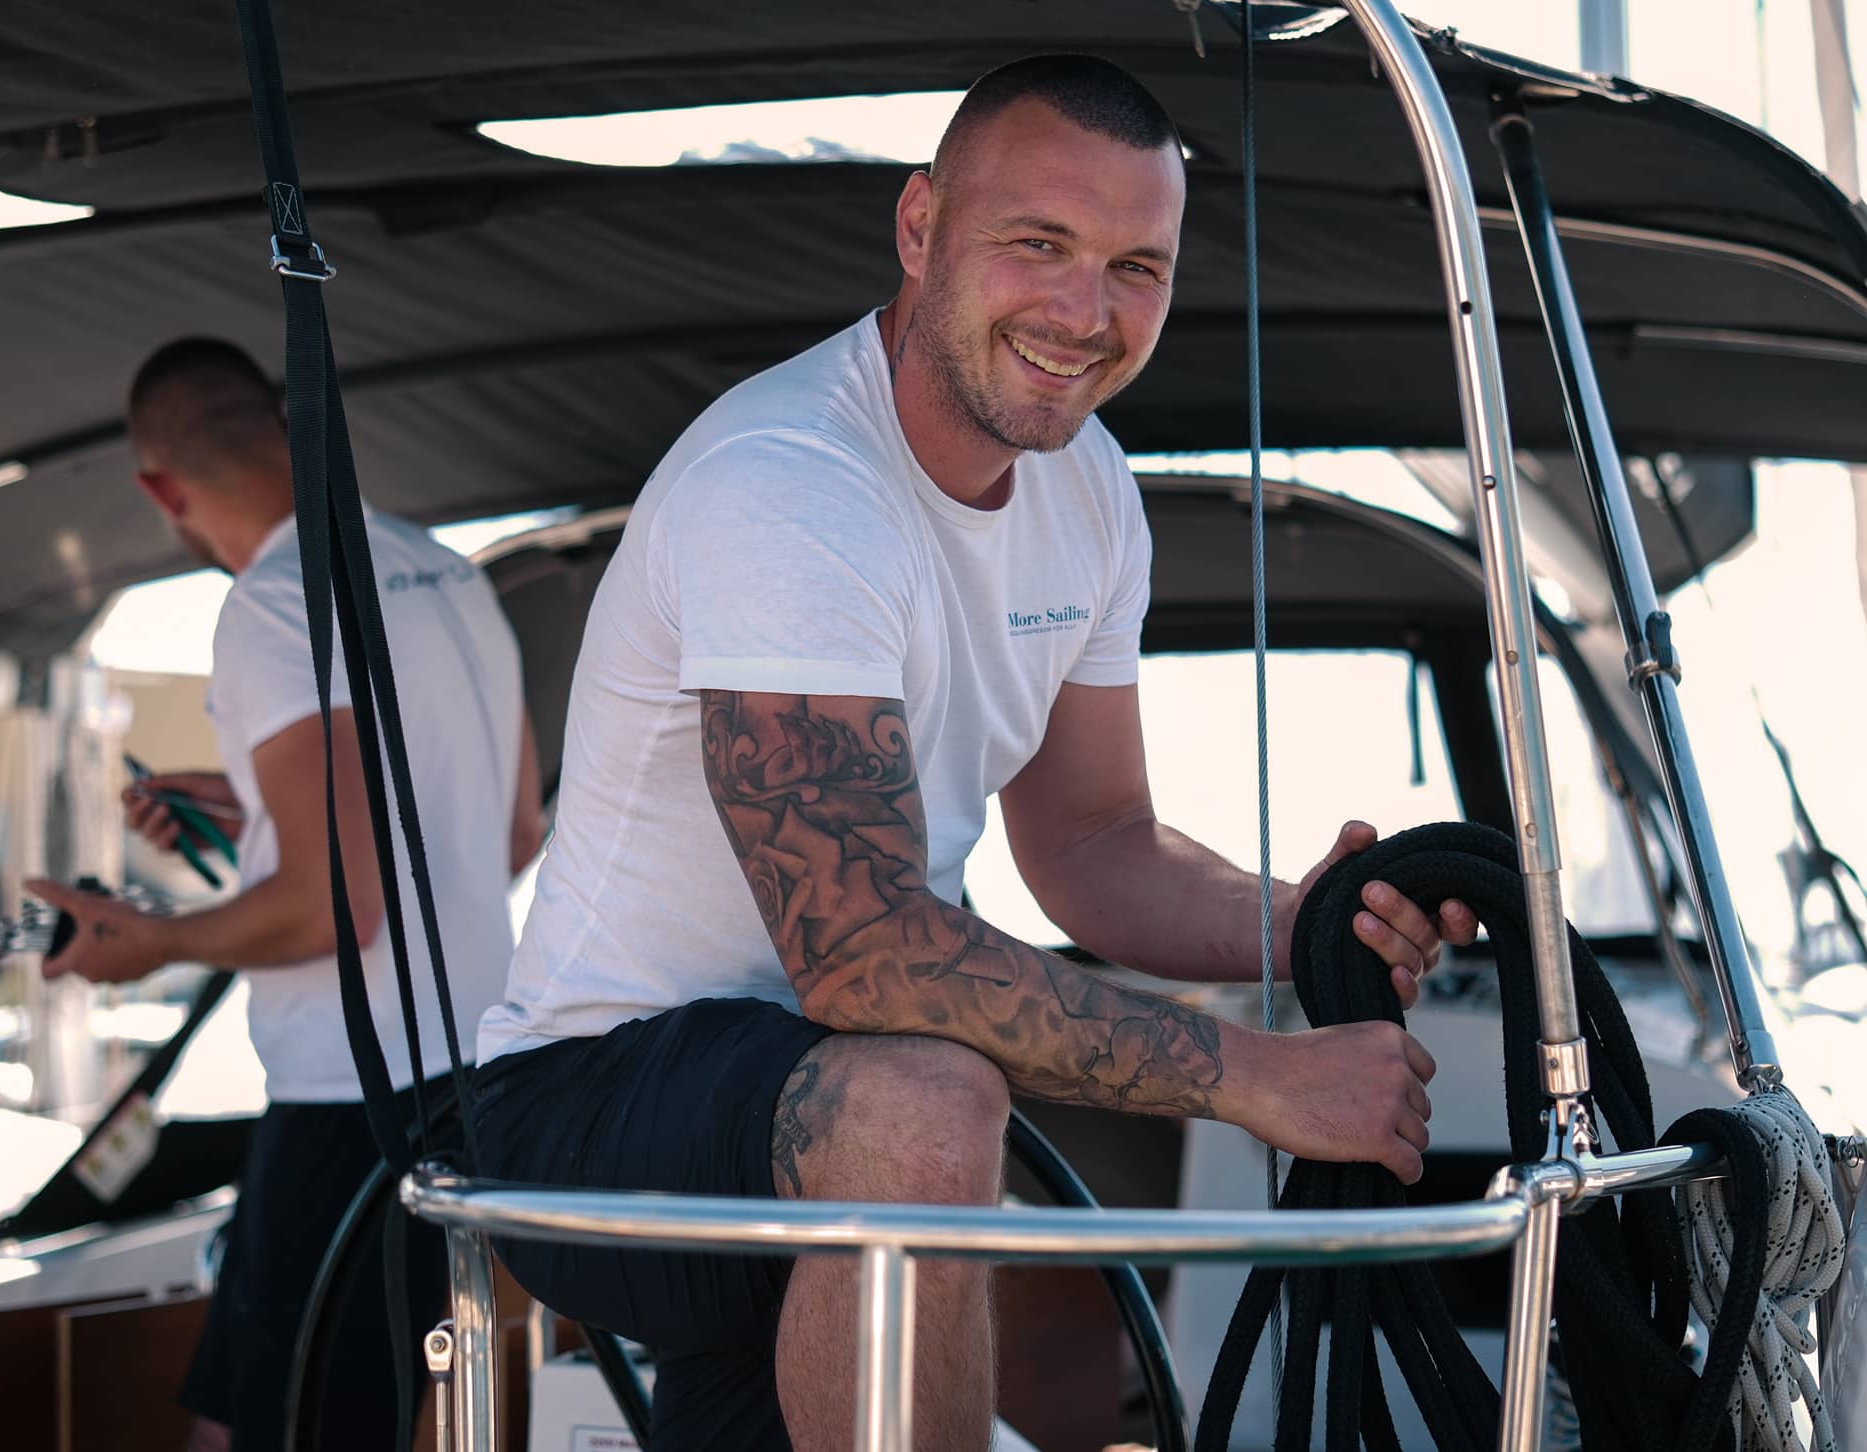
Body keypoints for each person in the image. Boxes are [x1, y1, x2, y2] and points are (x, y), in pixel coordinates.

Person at [472, 54, 1478, 1452]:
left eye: (1138, 265)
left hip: (820, 1102)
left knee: (909, 1100)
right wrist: (1257, 1076)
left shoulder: (1093, 488)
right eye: (1039, 246)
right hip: (600, 1101)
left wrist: (1296, 919)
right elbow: (866, 955)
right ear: (920, 229)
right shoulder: (788, 486)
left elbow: (1093, 847)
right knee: (929, 1100)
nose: (1085, 311)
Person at [27, 338, 545, 1452]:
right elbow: (504, 833)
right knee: (246, 1414)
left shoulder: (272, 606)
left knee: (282, 1429)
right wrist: (261, 804)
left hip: (349, 1104)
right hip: (468, 1082)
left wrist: (152, 941)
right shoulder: (448, 573)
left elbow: (334, 908)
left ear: (159, 491)